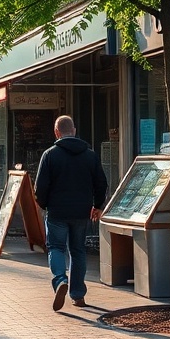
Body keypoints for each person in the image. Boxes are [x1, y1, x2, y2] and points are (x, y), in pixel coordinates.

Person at [34, 115, 108, 311]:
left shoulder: (50, 155)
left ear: (56, 132)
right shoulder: (90, 155)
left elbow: (40, 187)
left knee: (56, 248)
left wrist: (44, 204)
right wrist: (97, 205)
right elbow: (101, 183)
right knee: (78, 251)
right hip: (81, 212)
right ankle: (78, 295)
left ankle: (60, 280)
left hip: (57, 212)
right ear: (73, 130)